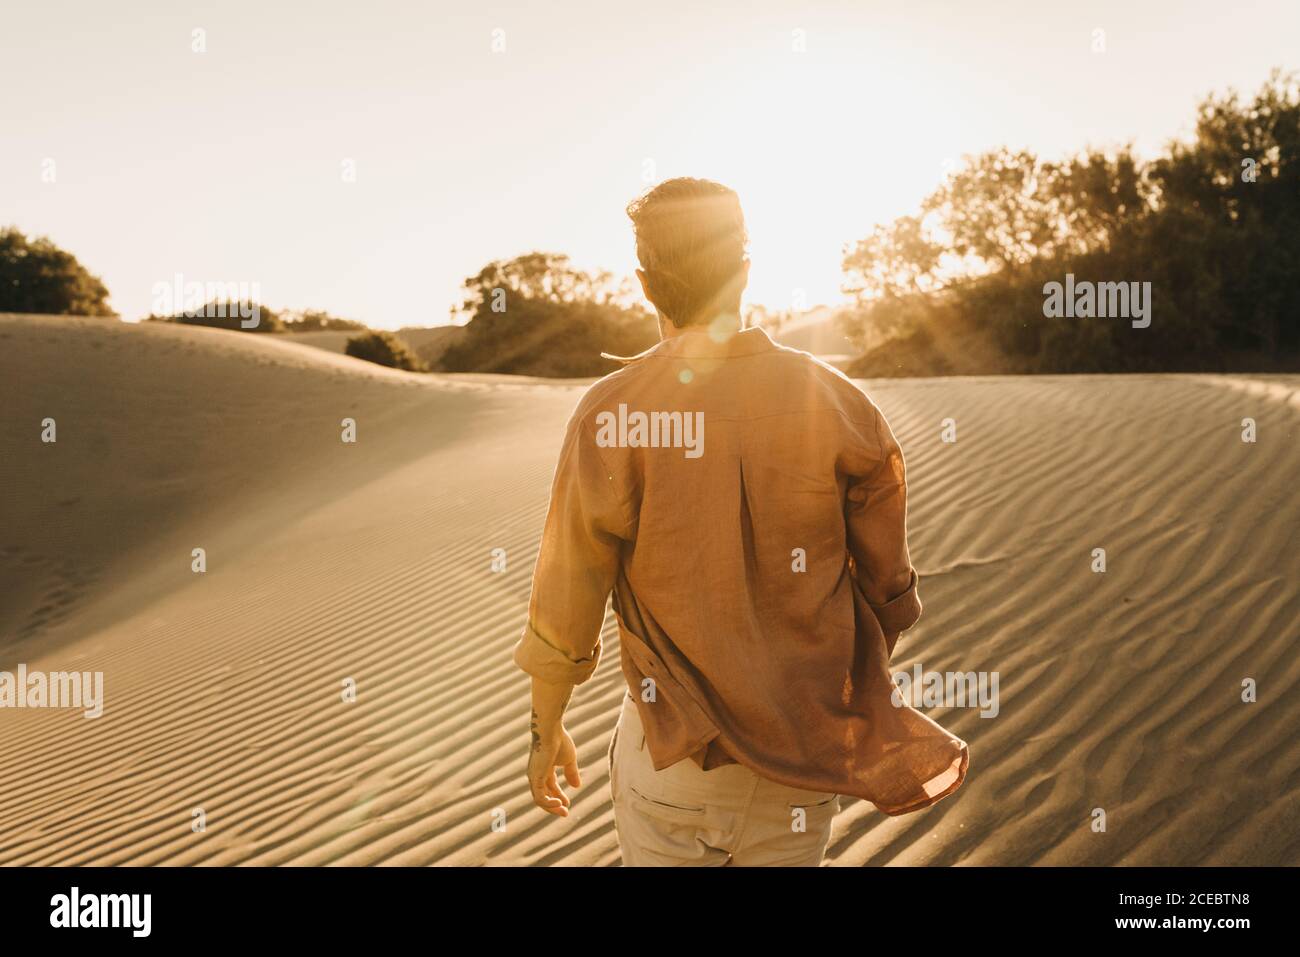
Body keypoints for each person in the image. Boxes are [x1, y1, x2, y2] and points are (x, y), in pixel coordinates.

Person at [514, 177, 968, 866]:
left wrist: (544, 729)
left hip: (671, 763)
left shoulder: (613, 413)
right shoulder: (838, 404)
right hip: (800, 767)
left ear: (644, 284)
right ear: (746, 271)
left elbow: (565, 602)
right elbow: (889, 593)